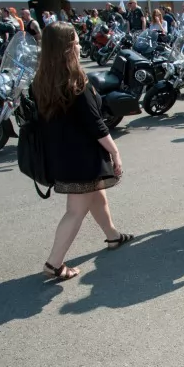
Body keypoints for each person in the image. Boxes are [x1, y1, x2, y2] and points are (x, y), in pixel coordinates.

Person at [32, 22, 133, 280]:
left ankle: (112, 236)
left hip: (60, 154)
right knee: (75, 211)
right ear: (66, 48)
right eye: (76, 41)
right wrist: (116, 152)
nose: (79, 45)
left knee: (96, 195)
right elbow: (96, 125)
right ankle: (54, 264)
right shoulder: (76, 81)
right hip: (82, 157)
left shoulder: (42, 80)